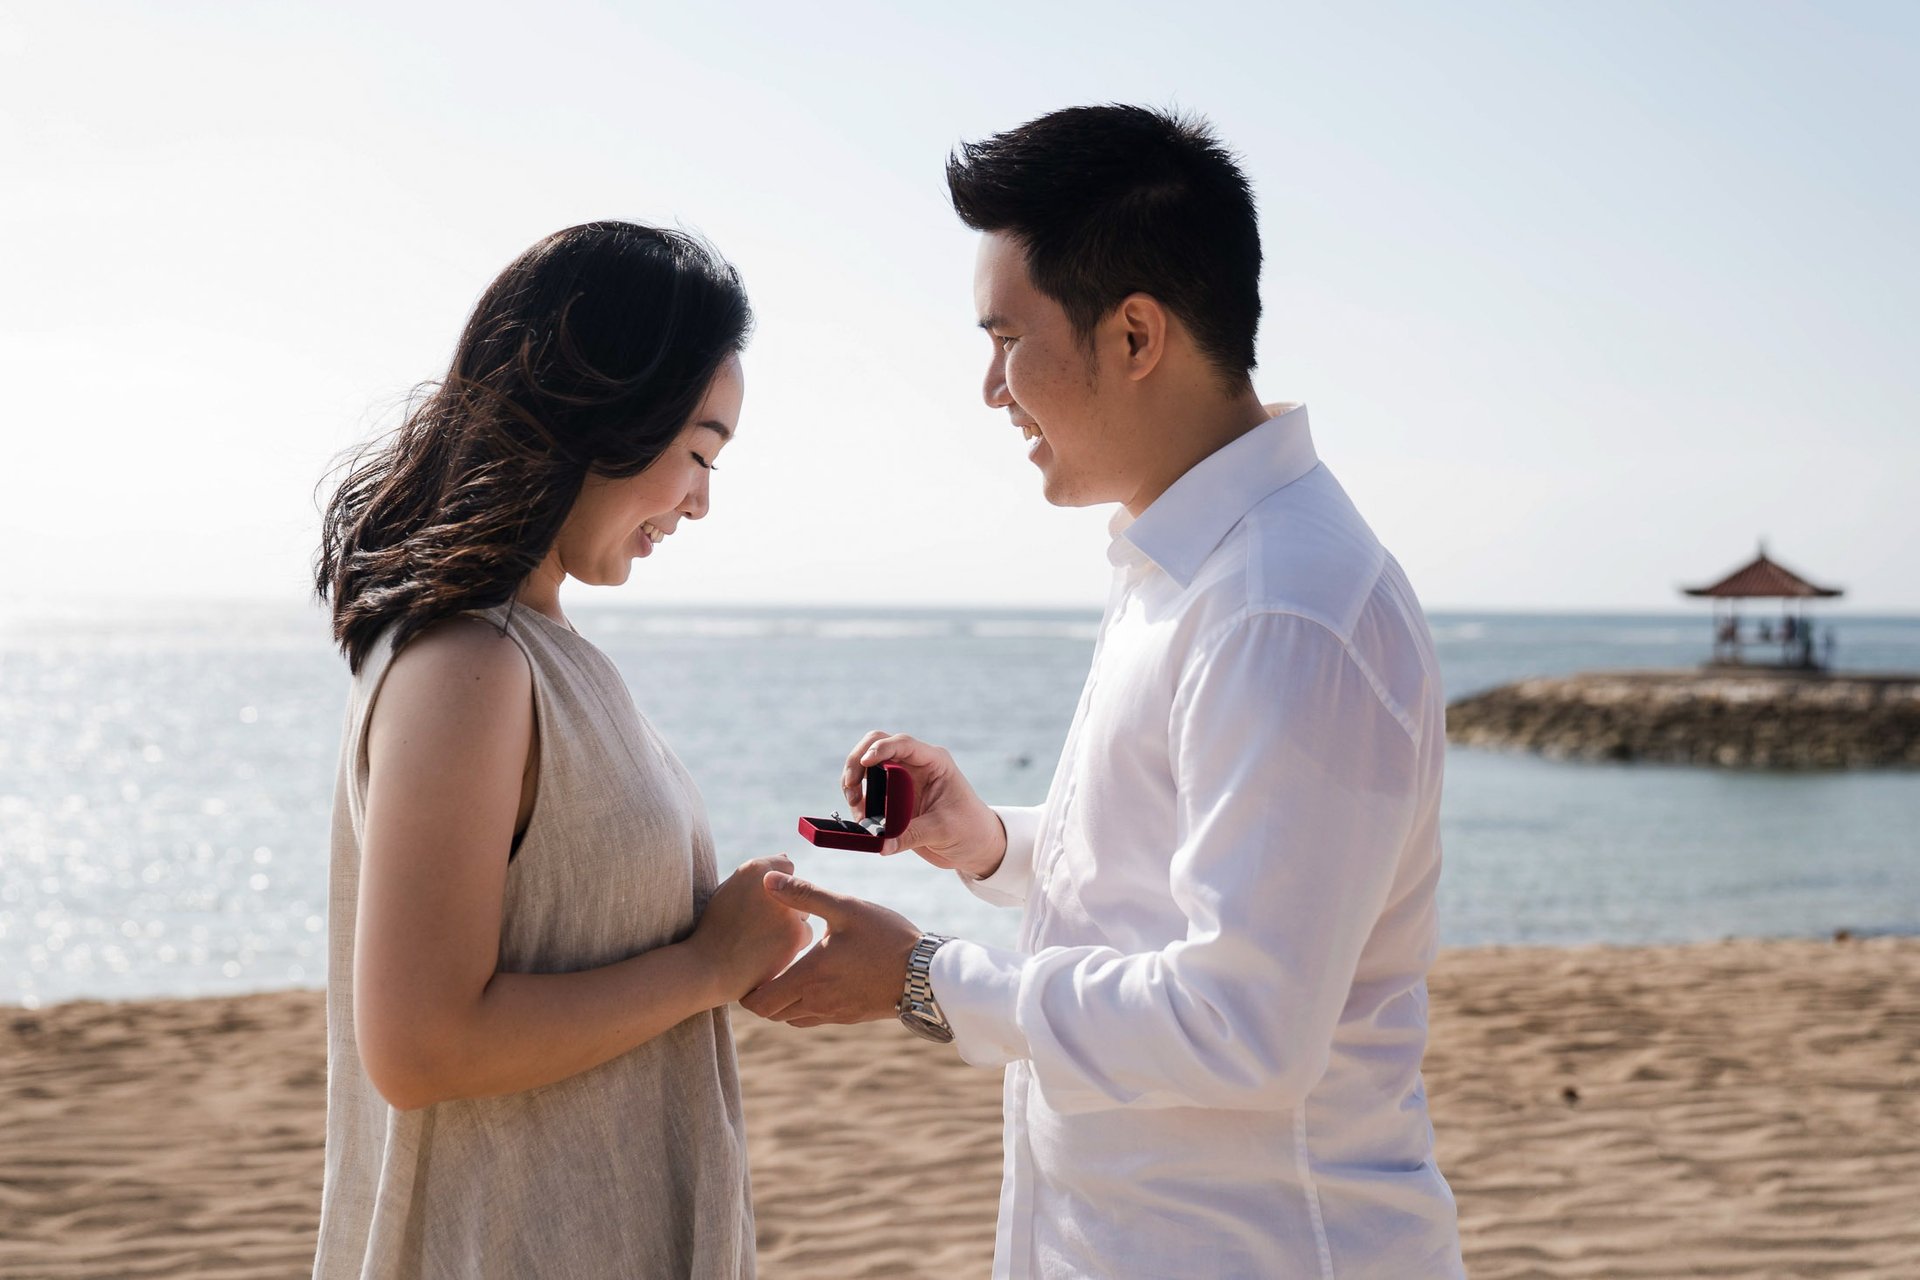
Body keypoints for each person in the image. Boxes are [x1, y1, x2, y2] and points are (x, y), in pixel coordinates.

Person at [741, 106, 1465, 1277]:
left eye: (1007, 338)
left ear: (1134, 334)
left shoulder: (1281, 606)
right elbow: (1180, 872)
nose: (990, 389)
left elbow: (1244, 1025)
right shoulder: (1189, 566)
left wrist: (923, 979)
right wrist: (988, 844)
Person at [311, 222, 809, 1278]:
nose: (702, 498)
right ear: (605, 412)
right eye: (699, 452)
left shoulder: (539, 648)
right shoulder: (470, 666)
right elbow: (420, 1044)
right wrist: (706, 964)